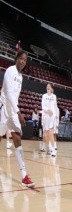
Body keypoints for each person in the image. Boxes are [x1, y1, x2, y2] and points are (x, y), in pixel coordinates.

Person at [0, 51, 35, 188]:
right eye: (21, 59)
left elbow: (15, 97)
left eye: (25, 60)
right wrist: (19, 112)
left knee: (17, 138)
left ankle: (24, 176)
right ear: (16, 59)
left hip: (13, 111)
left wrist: (16, 111)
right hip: (3, 108)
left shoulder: (21, 77)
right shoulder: (10, 71)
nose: (22, 62)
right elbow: (8, 93)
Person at [43, 85, 59, 155]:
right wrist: (47, 110)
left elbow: (55, 106)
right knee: (46, 134)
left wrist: (55, 115)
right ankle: (48, 147)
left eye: (49, 86)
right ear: (46, 88)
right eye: (47, 86)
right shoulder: (44, 96)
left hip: (52, 116)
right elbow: (43, 106)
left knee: (51, 132)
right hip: (46, 115)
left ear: (51, 88)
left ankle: (53, 149)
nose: (48, 87)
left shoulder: (54, 96)